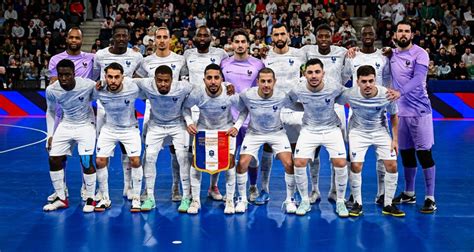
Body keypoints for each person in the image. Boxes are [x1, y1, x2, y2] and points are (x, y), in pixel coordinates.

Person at [337, 65, 405, 217]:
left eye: (370, 81)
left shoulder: (387, 94)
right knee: (356, 165)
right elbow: (331, 99)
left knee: (392, 165)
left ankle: (388, 204)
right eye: (364, 81)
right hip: (357, 132)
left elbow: (394, 116)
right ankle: (358, 203)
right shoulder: (349, 94)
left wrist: (395, 140)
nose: (368, 85)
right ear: (357, 82)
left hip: (380, 130)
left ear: (375, 80)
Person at [386, 21, 437, 213]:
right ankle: (409, 193)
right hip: (400, 113)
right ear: (395, 34)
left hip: (420, 111)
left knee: (424, 154)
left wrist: (399, 92)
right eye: (400, 31)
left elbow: (419, 79)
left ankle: (430, 197)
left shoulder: (420, 53)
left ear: (412, 35)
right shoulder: (391, 53)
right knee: (406, 153)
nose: (403, 34)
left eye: (407, 31)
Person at [235, 68, 301, 214]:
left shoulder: (282, 96)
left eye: (269, 81)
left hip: (277, 133)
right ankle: (242, 199)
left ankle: (290, 200)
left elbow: (299, 105)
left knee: (289, 163)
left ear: (274, 82)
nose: (266, 85)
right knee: (242, 164)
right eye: (263, 81)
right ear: (257, 82)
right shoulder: (247, 95)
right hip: (254, 133)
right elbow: (242, 110)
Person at [289, 58, 348, 217]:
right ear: (304, 74)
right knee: (299, 162)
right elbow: (288, 101)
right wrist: (303, 108)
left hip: (331, 129)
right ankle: (304, 200)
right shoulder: (298, 88)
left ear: (323, 73)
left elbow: (347, 95)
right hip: (309, 129)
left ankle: (341, 201)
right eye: (310, 72)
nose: (314, 76)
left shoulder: (333, 86)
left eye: (317, 72)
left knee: (341, 162)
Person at [93, 24, 143, 201]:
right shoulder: (100, 55)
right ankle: (100, 190)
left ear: (129, 37)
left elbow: (144, 76)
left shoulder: (136, 55)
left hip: (127, 105)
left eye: (125, 36)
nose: (121, 39)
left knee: (127, 150)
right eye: (118, 36)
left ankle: (128, 187)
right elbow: (95, 76)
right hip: (104, 106)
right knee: (101, 153)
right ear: (112, 37)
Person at [302, 24, 351, 204]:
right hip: (313, 107)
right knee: (313, 151)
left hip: (336, 106)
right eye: (320, 36)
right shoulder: (307, 51)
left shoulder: (342, 52)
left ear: (332, 37)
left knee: (337, 152)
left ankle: (334, 190)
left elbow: (345, 76)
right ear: (316, 37)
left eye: (326, 36)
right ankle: (314, 190)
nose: (323, 39)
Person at [183, 63, 242, 214]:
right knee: (197, 163)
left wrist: (237, 126)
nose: (213, 81)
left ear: (222, 79)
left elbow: (244, 110)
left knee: (228, 163)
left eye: (216, 78)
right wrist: (189, 122)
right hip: (203, 131)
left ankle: (229, 200)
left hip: (225, 131)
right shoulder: (198, 93)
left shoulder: (230, 93)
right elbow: (184, 107)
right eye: (209, 78)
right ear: (204, 80)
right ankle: (195, 201)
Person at [136, 26, 186, 202]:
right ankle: (145, 189)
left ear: (170, 39)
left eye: (166, 37)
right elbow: (141, 83)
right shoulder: (146, 61)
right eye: (159, 37)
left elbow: (184, 83)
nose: (162, 40)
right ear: (154, 39)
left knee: (177, 151)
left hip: (175, 111)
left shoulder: (180, 60)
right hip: (153, 111)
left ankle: (176, 186)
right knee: (148, 152)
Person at [134, 65, 193, 212]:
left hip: (177, 124)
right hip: (156, 125)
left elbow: (202, 87)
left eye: (166, 81)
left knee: (182, 157)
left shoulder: (183, 87)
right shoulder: (147, 84)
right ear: (154, 79)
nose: (163, 84)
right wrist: (103, 83)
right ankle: (150, 197)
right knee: (149, 157)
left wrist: (226, 85)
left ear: (172, 80)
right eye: (159, 80)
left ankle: (186, 196)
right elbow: (128, 80)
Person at [46, 27, 95, 202]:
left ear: (81, 40)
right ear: (66, 39)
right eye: (71, 37)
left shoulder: (91, 58)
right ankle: (62, 190)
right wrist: (50, 133)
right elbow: (54, 84)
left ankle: (86, 189)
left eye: (77, 38)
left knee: (86, 156)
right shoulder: (55, 60)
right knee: (57, 155)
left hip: (83, 113)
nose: (74, 40)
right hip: (62, 114)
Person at [345, 24, 392, 206]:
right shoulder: (352, 56)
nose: (367, 36)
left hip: (379, 110)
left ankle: (381, 193)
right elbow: (344, 79)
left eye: (370, 33)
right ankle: (353, 194)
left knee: (382, 156)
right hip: (356, 112)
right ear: (359, 36)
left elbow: (388, 79)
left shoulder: (384, 56)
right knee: (353, 156)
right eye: (364, 33)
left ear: (375, 35)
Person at [260, 23, 306, 204]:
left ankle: (293, 193)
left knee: (294, 152)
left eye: (282, 34)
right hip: (272, 111)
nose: (279, 38)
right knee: (267, 149)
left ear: (288, 35)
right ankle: (264, 189)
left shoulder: (300, 54)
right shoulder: (265, 56)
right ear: (271, 37)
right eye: (276, 35)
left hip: (295, 111)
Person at [182, 26, 229, 201]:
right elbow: (181, 75)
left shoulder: (221, 53)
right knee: (189, 152)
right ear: (194, 37)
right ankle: (188, 191)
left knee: (214, 148)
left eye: (205, 35)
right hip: (191, 106)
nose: (202, 38)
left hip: (211, 106)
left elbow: (225, 73)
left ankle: (213, 187)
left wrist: (229, 84)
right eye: (199, 35)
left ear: (212, 38)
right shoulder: (187, 54)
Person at [221, 29, 265, 203]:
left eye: (243, 41)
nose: (239, 45)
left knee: (251, 157)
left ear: (248, 44)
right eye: (236, 41)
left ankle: (253, 187)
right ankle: (230, 191)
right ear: (232, 44)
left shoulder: (258, 64)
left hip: (250, 119)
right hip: (228, 118)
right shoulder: (224, 63)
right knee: (230, 157)